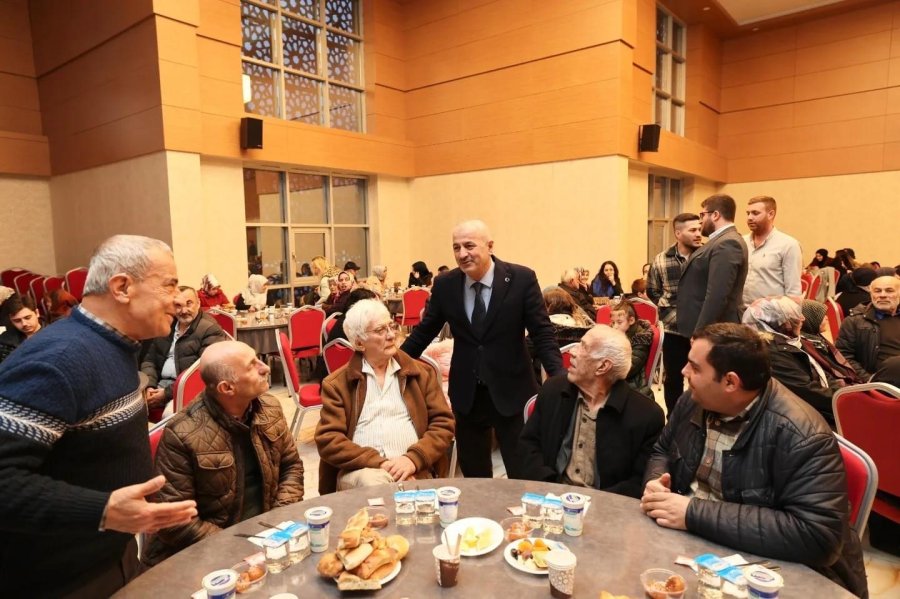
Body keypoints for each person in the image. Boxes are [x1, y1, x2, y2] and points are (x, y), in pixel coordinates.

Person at [0, 235, 198, 597]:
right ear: (122, 287)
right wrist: (102, 511)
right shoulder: (58, 359)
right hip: (60, 578)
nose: (178, 298)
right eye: (169, 284)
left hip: (111, 556)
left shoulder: (117, 345)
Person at [641, 323, 868, 597]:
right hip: (691, 547)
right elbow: (662, 451)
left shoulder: (800, 434)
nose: (684, 372)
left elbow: (818, 536)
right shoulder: (694, 399)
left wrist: (693, 513)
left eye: (695, 367)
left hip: (768, 571)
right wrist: (657, 482)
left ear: (730, 382)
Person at [401, 220, 564, 479]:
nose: (462, 254)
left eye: (469, 246)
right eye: (456, 248)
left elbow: (542, 332)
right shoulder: (446, 284)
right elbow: (424, 332)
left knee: (523, 470)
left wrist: (559, 377)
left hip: (513, 390)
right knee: (475, 473)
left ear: (489, 246)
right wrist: (394, 362)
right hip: (467, 393)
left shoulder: (521, 279)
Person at [143, 341, 304, 565]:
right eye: (252, 366)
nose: (265, 367)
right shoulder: (182, 434)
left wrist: (278, 520)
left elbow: (291, 466)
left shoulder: (270, 407)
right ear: (227, 388)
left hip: (267, 532)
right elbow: (174, 520)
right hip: (206, 550)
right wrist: (233, 546)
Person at [316, 299, 455, 493]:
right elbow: (329, 440)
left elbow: (443, 424)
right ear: (359, 342)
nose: (391, 335)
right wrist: (380, 463)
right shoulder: (337, 384)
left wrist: (412, 459)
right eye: (380, 330)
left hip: (415, 467)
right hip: (362, 472)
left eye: (391, 326)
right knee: (379, 485)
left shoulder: (421, 373)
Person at [519, 325, 664, 497]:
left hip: (607, 508)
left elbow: (640, 481)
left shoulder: (645, 415)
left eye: (583, 346)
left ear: (603, 366)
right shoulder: (553, 391)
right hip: (550, 498)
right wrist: (551, 490)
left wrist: (594, 502)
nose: (572, 351)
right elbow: (528, 446)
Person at [742, 296, 841, 421]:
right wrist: (843, 397)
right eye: (796, 318)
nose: (803, 319)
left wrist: (842, 390)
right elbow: (807, 392)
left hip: (818, 405)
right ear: (782, 323)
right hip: (807, 415)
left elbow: (823, 373)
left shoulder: (790, 341)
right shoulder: (772, 352)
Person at [140, 286, 229, 417]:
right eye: (178, 305)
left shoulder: (210, 329)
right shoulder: (166, 325)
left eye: (189, 303)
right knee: (130, 410)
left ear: (198, 303)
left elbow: (203, 373)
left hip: (187, 389)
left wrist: (167, 393)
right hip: (158, 384)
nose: (184, 311)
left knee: (169, 416)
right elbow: (149, 360)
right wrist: (149, 387)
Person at [647, 212, 702, 413]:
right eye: (693, 230)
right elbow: (652, 290)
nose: (698, 233)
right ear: (678, 233)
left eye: (699, 228)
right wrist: (666, 308)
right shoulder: (661, 260)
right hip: (673, 328)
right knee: (674, 379)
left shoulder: (707, 255)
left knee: (703, 377)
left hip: (701, 328)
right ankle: (674, 419)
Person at [676, 194, 749, 338]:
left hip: (717, 331)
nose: (701, 220)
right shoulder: (719, 240)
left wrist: (701, 332)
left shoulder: (727, 243)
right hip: (712, 329)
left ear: (715, 215)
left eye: (702, 215)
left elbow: (717, 295)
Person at [836, 275, 900, 380]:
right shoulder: (854, 321)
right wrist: (868, 380)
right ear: (871, 295)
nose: (882, 295)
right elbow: (843, 356)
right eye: (877, 291)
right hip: (881, 382)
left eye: (889, 291)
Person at [742, 196, 802, 306]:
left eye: (755, 213)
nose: (750, 217)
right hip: (739, 314)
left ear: (771, 214)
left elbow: (793, 295)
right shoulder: (742, 242)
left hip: (770, 316)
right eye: (748, 213)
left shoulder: (788, 245)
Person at [799, 299, 862, 387]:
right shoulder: (805, 345)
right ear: (810, 319)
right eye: (821, 315)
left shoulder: (818, 338)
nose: (826, 317)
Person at [608, 301, 653, 396]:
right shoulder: (618, 334)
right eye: (613, 323)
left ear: (631, 320)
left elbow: (629, 368)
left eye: (619, 322)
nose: (615, 326)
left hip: (633, 387)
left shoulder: (640, 339)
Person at [0, 294, 42, 365]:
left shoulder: (52, 333)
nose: (24, 323)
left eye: (27, 317)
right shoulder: (5, 339)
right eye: (17, 321)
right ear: (10, 319)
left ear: (37, 313)